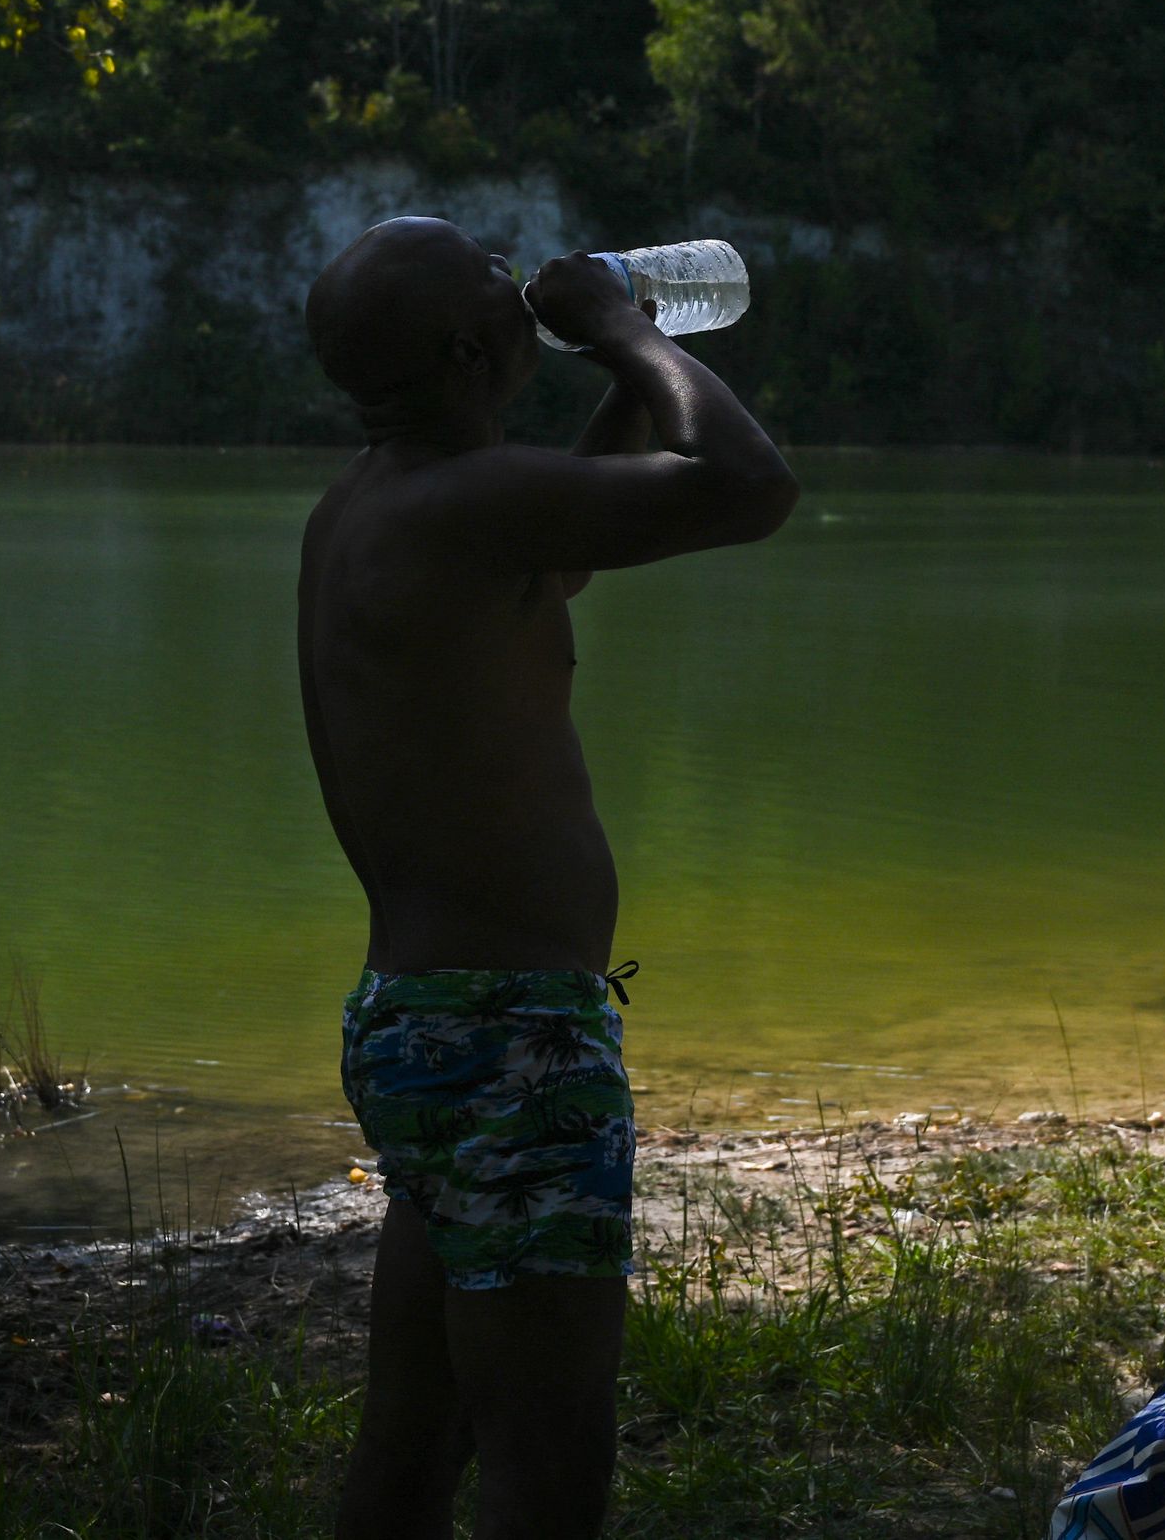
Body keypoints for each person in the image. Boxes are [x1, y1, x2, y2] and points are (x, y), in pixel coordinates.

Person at [298, 217, 800, 1540]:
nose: (530, 296)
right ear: (472, 346)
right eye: (500, 287)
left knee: (416, 1431)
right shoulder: (461, 503)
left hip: (419, 1028)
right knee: (548, 1449)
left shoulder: (378, 502)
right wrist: (629, 331)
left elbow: (559, 555)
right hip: (508, 1037)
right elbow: (751, 483)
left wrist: (622, 376)